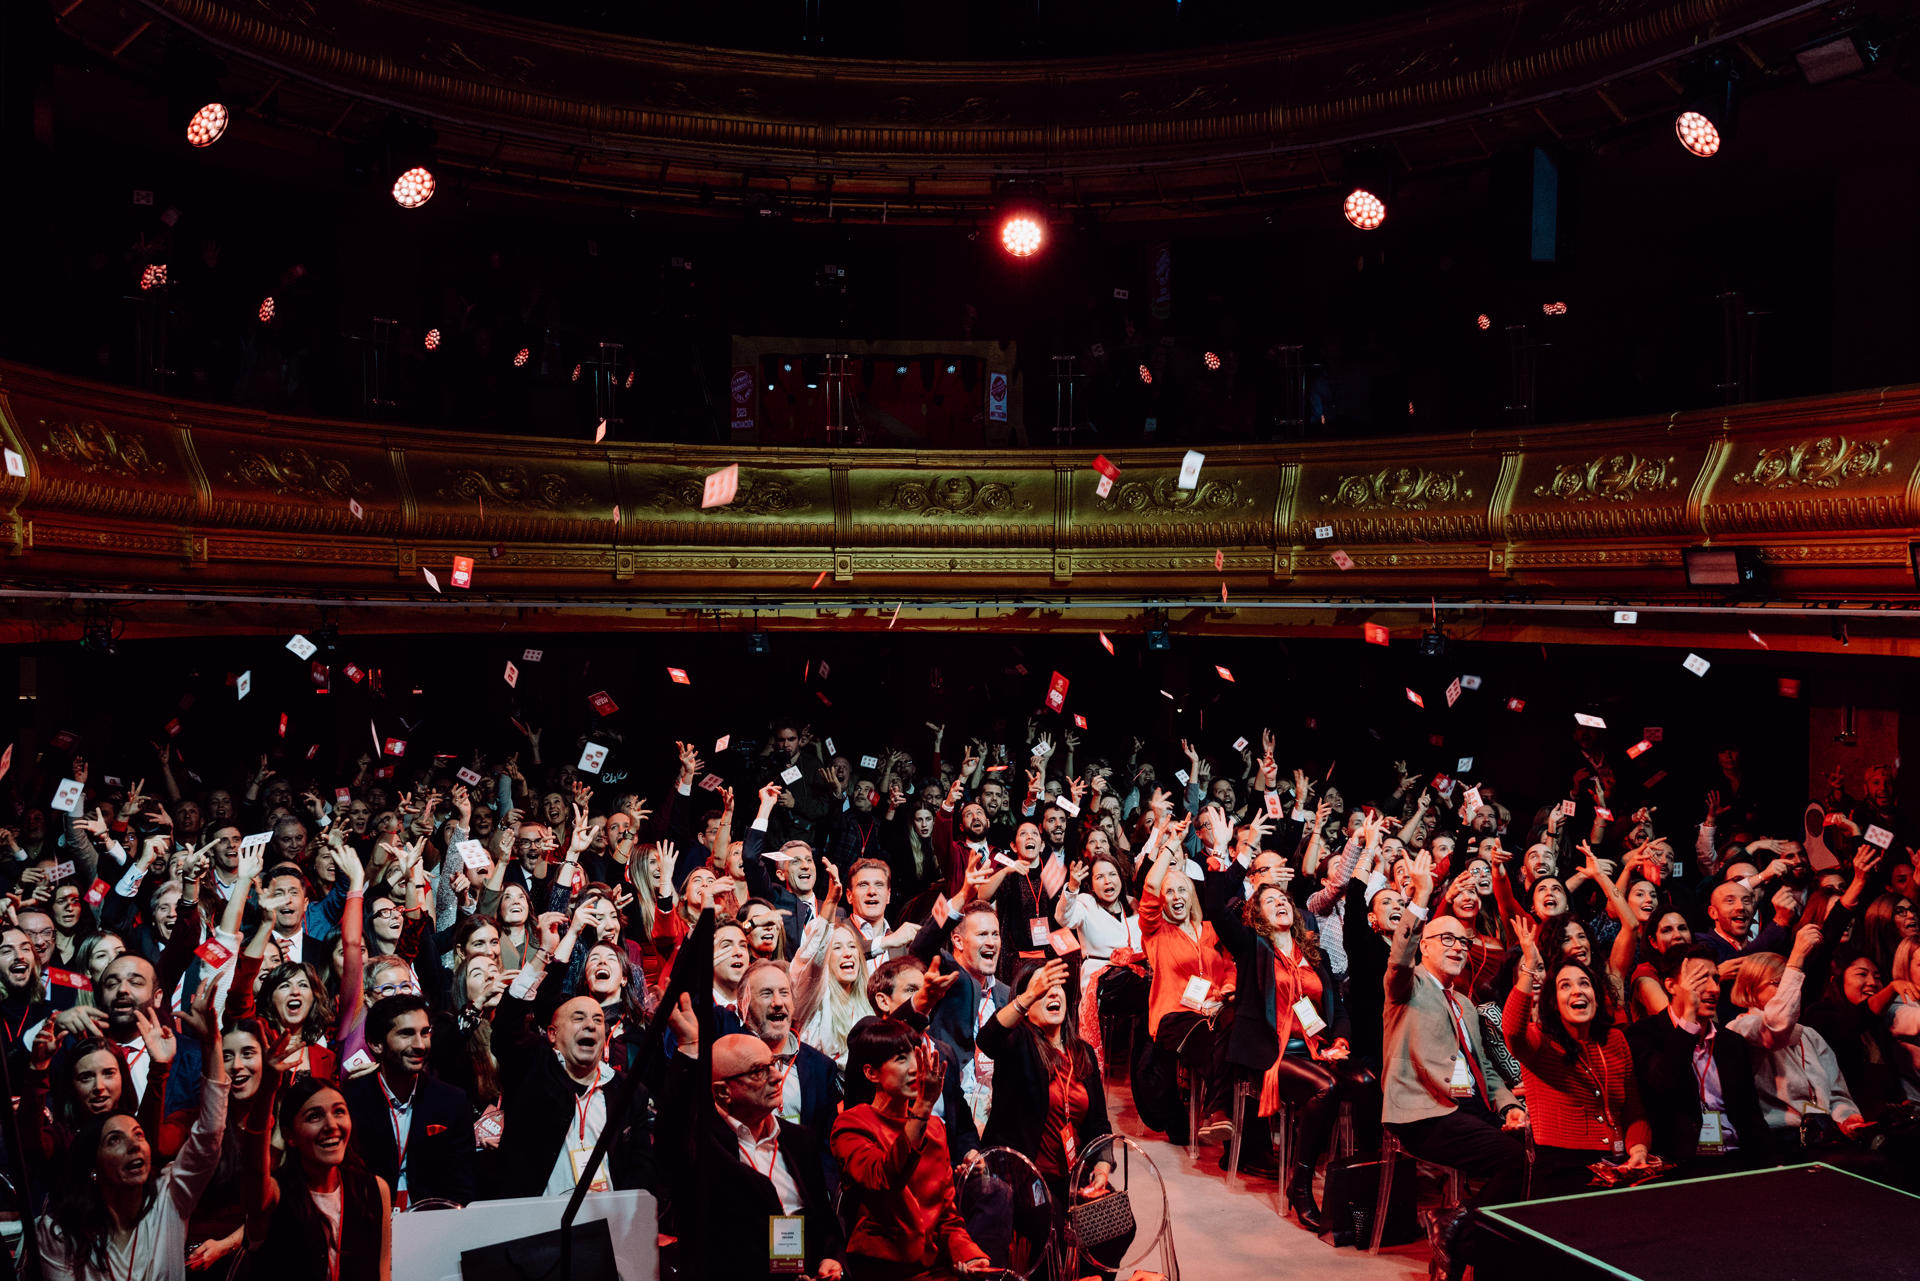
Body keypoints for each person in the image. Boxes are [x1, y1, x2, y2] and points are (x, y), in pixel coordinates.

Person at [35, 980, 228, 1281]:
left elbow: (209, 1134)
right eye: (115, 1140)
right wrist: (37, 1068)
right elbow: (30, 1146)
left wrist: (213, 1042)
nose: (136, 1145)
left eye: (139, 1135)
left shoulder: (170, 1195)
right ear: (93, 1166)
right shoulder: (59, 1231)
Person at [659, 997, 847, 1281]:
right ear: (723, 1093)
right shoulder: (702, 1146)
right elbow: (672, 1125)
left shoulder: (799, 1140)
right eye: (759, 1071)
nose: (776, 1077)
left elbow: (824, 1220)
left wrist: (831, 1258)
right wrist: (689, 1048)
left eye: (773, 1064)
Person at [1381, 908, 1525, 1276]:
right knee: (1515, 1159)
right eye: (1447, 939)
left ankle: (1458, 1238)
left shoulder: (1464, 1004)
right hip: (1424, 1112)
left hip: (1468, 1106)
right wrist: (1420, 901)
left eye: (1463, 941)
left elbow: (1486, 1069)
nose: (1458, 947)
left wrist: (1508, 1105)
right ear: (1424, 947)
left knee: (1537, 1155)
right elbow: (1398, 960)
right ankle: (1456, 1232)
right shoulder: (1408, 987)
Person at [974, 957, 1119, 1261]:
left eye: (1057, 987)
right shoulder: (1018, 1043)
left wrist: (1102, 1170)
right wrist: (1027, 996)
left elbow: (1099, 1125)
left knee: (1116, 1225)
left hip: (1071, 1174)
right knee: (1050, 1228)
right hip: (1022, 1174)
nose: (1052, 993)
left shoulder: (1083, 1053)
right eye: (1042, 989)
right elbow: (987, 1039)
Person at [831, 1018, 992, 1278]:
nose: (914, 1067)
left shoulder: (934, 1129)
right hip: (881, 1267)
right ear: (872, 1073)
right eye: (900, 1058)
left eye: (916, 1055)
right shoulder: (852, 1124)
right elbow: (883, 1180)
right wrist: (922, 1108)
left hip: (932, 1266)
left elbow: (948, 1218)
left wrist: (969, 1254)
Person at [1504, 917, 1654, 1195]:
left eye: (1584, 983)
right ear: (1553, 1001)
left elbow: (1633, 1109)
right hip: (1562, 1168)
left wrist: (1639, 1147)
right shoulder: (1539, 1040)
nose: (1577, 990)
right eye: (1565, 986)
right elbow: (1512, 1030)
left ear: (1596, 995)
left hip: (1617, 1163)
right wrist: (1530, 966)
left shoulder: (1616, 1040)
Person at [1624, 942, 1774, 1174]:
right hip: (1681, 1165)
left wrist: (1771, 1166)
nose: (1714, 988)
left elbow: (1750, 1114)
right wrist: (1688, 1019)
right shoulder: (1644, 1035)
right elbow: (1663, 1084)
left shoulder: (1732, 1043)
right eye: (1701, 979)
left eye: (1715, 979)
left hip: (1736, 1158)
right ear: (1672, 985)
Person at [239, 1063, 391, 1281]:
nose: (331, 1125)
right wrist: (268, 1089)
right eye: (314, 1116)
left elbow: (382, 1272)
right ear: (289, 1135)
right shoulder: (274, 1194)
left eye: (339, 1111)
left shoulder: (374, 1189)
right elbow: (253, 1170)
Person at [341, 994, 475, 1206]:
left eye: (425, 1033)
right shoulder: (349, 1101)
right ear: (376, 1044)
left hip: (433, 1223)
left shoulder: (452, 1102)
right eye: (406, 1034)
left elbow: (462, 1185)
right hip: (369, 1221)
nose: (420, 1045)